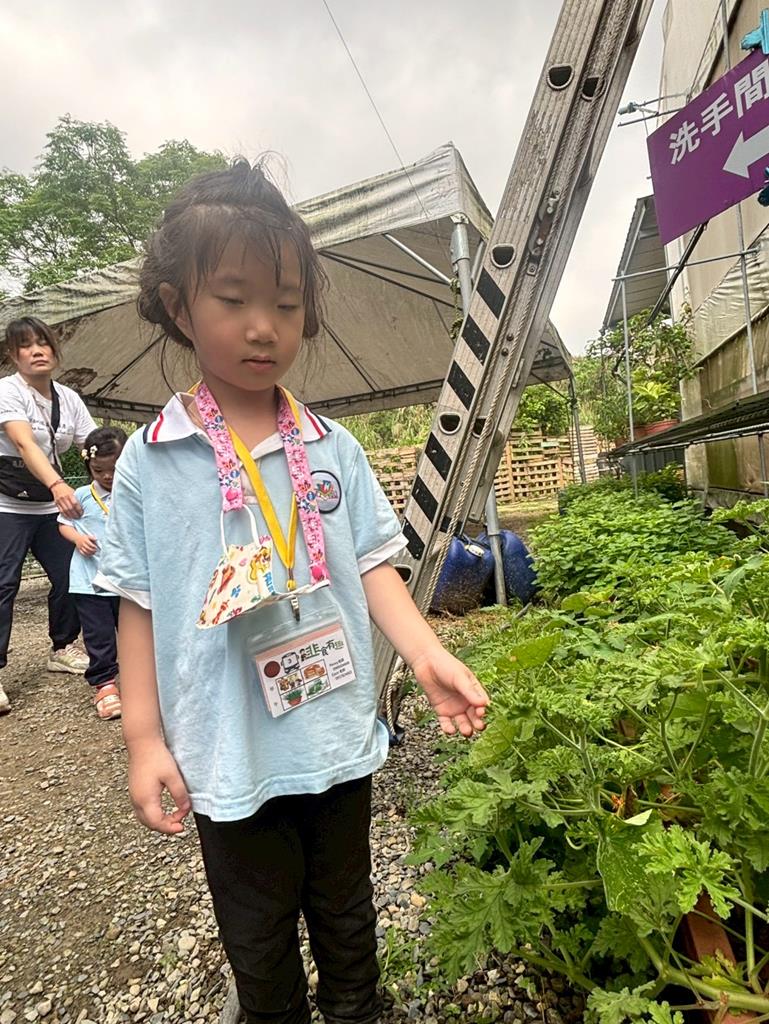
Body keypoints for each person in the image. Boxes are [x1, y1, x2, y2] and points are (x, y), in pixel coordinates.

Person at [94, 159, 489, 1024]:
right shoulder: (150, 461)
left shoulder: (332, 447)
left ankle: (358, 1009)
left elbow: (374, 566)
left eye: (285, 302)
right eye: (232, 298)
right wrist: (144, 741)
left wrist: (426, 654)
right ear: (177, 305)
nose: (262, 326)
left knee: (347, 910)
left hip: (333, 729)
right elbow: (137, 607)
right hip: (225, 749)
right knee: (257, 931)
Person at [0, 317, 96, 716]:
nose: (37, 350)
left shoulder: (68, 398)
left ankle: (63, 646)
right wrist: (59, 485)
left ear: (55, 351)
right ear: (13, 355)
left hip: (48, 506)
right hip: (8, 504)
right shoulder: (8, 391)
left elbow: (93, 445)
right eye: (26, 345)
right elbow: (24, 443)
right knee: (4, 582)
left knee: (73, 572)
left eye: (43, 343)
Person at [58, 426, 127, 721]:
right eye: (99, 470)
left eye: (115, 469)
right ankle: (105, 684)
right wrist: (77, 539)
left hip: (127, 581)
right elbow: (63, 524)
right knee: (99, 635)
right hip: (89, 581)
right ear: (89, 466)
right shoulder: (81, 495)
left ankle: (140, 679)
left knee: (134, 633)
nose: (108, 476)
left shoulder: (134, 492)